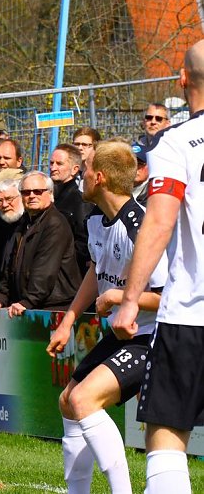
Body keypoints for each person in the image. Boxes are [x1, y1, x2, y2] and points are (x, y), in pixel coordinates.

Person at [47, 140, 168, 494]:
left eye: (84, 170)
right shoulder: (98, 221)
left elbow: (165, 298)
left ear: (98, 177)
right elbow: (95, 271)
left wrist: (118, 296)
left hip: (155, 337)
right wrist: (69, 320)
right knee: (68, 401)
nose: (80, 176)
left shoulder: (140, 227)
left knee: (84, 400)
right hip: (122, 334)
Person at [113, 40, 204, 493]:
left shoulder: (177, 142)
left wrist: (130, 300)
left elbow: (160, 220)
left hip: (191, 313)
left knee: (167, 433)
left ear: (182, 80)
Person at [0, 171, 82, 316]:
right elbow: (9, 264)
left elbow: (45, 270)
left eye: (37, 191)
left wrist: (28, 301)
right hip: (29, 305)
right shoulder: (23, 222)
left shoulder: (55, 223)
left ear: (50, 194)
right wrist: (0, 298)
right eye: (26, 192)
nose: (31, 196)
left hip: (53, 308)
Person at [50, 144, 92, 276]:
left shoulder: (79, 202)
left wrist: (62, 261)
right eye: (51, 163)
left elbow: (84, 242)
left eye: (59, 164)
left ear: (75, 169)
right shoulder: (50, 197)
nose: (53, 168)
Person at [72, 127, 102, 192]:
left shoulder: (101, 176)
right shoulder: (68, 174)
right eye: (77, 144)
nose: (80, 148)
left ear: (95, 147)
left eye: (84, 145)